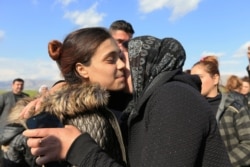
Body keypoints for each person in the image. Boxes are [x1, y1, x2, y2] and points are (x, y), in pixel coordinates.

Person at [23, 36, 231, 167]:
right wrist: (59, 92)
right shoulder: (142, 102)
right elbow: (93, 94)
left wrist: (77, 148)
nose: (121, 66)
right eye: (113, 59)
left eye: (124, 58)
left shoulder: (175, 97)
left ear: (146, 65)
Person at [0, 27, 127, 166]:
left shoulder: (119, 99)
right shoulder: (74, 118)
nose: (122, 65)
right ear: (82, 69)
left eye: (120, 57)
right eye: (111, 60)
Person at [191, 55, 250, 166]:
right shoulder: (190, 108)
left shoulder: (234, 108)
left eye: (199, 77)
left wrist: (222, 163)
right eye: (192, 78)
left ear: (215, 79)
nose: (195, 82)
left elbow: (248, 144)